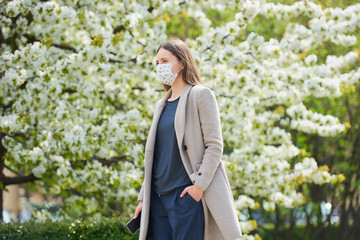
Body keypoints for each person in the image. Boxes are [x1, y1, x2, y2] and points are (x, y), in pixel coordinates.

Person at [133, 38, 242, 240]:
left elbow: (215, 146)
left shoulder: (201, 95)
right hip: (157, 200)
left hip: (185, 196)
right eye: (157, 63)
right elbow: (155, 156)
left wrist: (198, 187)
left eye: (165, 61)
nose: (160, 67)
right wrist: (143, 199)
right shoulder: (161, 105)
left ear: (181, 63)